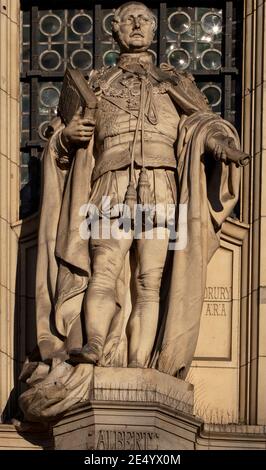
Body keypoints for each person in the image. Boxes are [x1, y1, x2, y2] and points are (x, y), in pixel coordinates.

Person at [35, 2, 248, 378]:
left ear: (154, 30)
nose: (137, 24)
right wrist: (67, 137)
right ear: (114, 29)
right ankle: (95, 344)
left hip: (161, 184)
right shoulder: (97, 82)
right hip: (109, 182)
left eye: (145, 19)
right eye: (128, 19)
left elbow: (203, 124)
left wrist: (221, 146)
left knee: (150, 280)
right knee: (103, 269)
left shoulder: (177, 84)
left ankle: (139, 366)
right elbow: (60, 139)